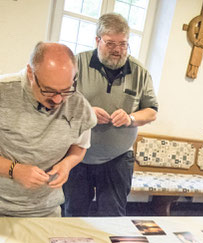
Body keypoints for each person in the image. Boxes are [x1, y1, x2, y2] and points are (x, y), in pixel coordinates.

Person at [0, 42, 97, 217]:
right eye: (49, 91)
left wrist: (67, 164)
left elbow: (80, 147)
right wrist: (14, 170)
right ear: (30, 73)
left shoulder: (79, 106)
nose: (58, 100)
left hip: (46, 210)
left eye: (66, 90)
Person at [63, 13, 158, 217]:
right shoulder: (77, 63)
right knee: (73, 215)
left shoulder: (140, 72)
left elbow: (151, 112)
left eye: (123, 44)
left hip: (118, 159)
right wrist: (87, 112)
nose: (117, 50)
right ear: (97, 40)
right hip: (77, 156)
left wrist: (131, 118)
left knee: (113, 219)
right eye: (110, 43)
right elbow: (59, 101)